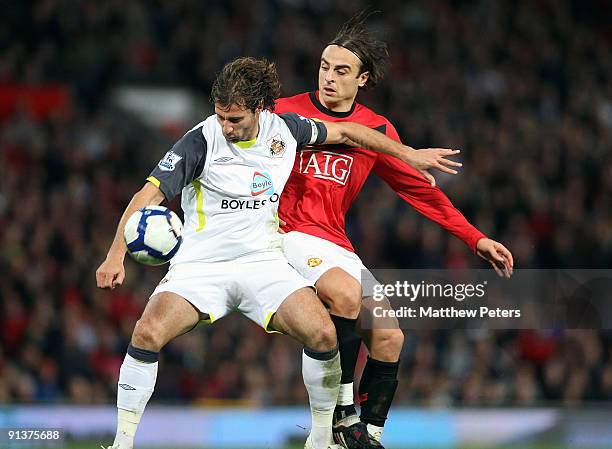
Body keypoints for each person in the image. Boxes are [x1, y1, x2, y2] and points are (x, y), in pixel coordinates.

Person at [95, 57, 459, 449]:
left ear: (260, 109)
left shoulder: (286, 129)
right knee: (147, 331)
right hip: (201, 267)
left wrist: (409, 154)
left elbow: (353, 133)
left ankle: (321, 440)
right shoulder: (200, 140)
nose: (226, 127)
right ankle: (122, 443)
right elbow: (146, 195)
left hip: (263, 263)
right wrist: (115, 254)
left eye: (235, 120)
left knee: (323, 333)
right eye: (221, 117)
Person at [275, 15, 514, 447]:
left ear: (363, 79)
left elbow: (420, 192)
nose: (329, 77)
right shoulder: (283, 112)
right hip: (288, 234)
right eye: (325, 66)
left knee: (388, 335)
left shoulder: (378, 130)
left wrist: (474, 238)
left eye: (342, 70)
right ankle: (342, 415)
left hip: (335, 242)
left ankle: (369, 434)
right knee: (346, 297)